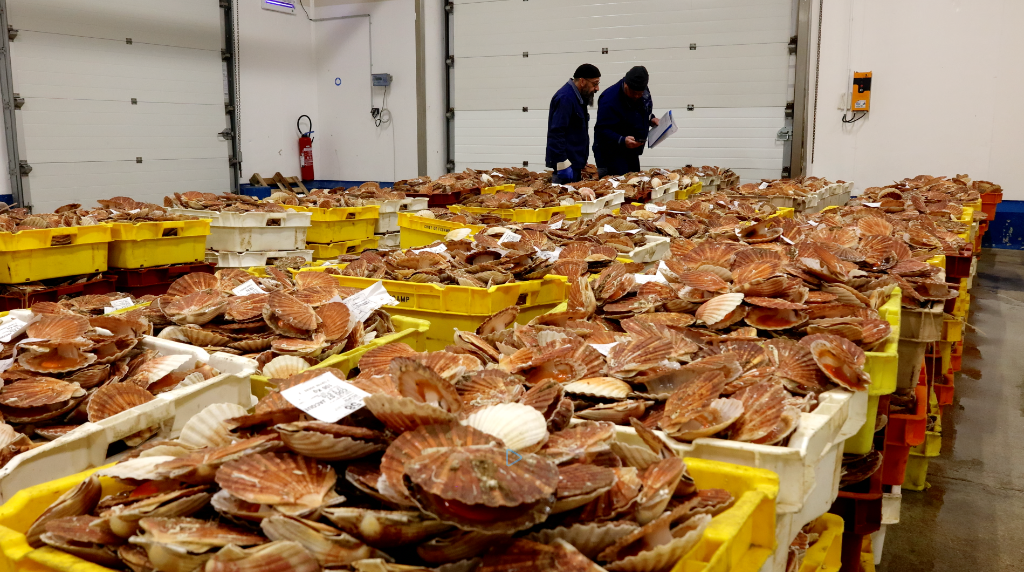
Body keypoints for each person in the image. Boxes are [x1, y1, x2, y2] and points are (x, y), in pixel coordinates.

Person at [593, 65, 660, 177]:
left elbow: (640, 111)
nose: (637, 96)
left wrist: (650, 118)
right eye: (634, 93)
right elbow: (601, 129)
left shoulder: (642, 91)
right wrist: (622, 140)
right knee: (619, 187)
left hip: (632, 151)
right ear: (626, 85)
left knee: (635, 183)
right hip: (611, 154)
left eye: (640, 93)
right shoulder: (609, 99)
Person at [545, 64, 601, 184]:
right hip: (565, 167)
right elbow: (556, 133)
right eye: (595, 83)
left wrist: (580, 158)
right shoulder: (565, 98)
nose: (597, 88)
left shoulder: (578, 98)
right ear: (582, 81)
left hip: (574, 164)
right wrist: (562, 164)